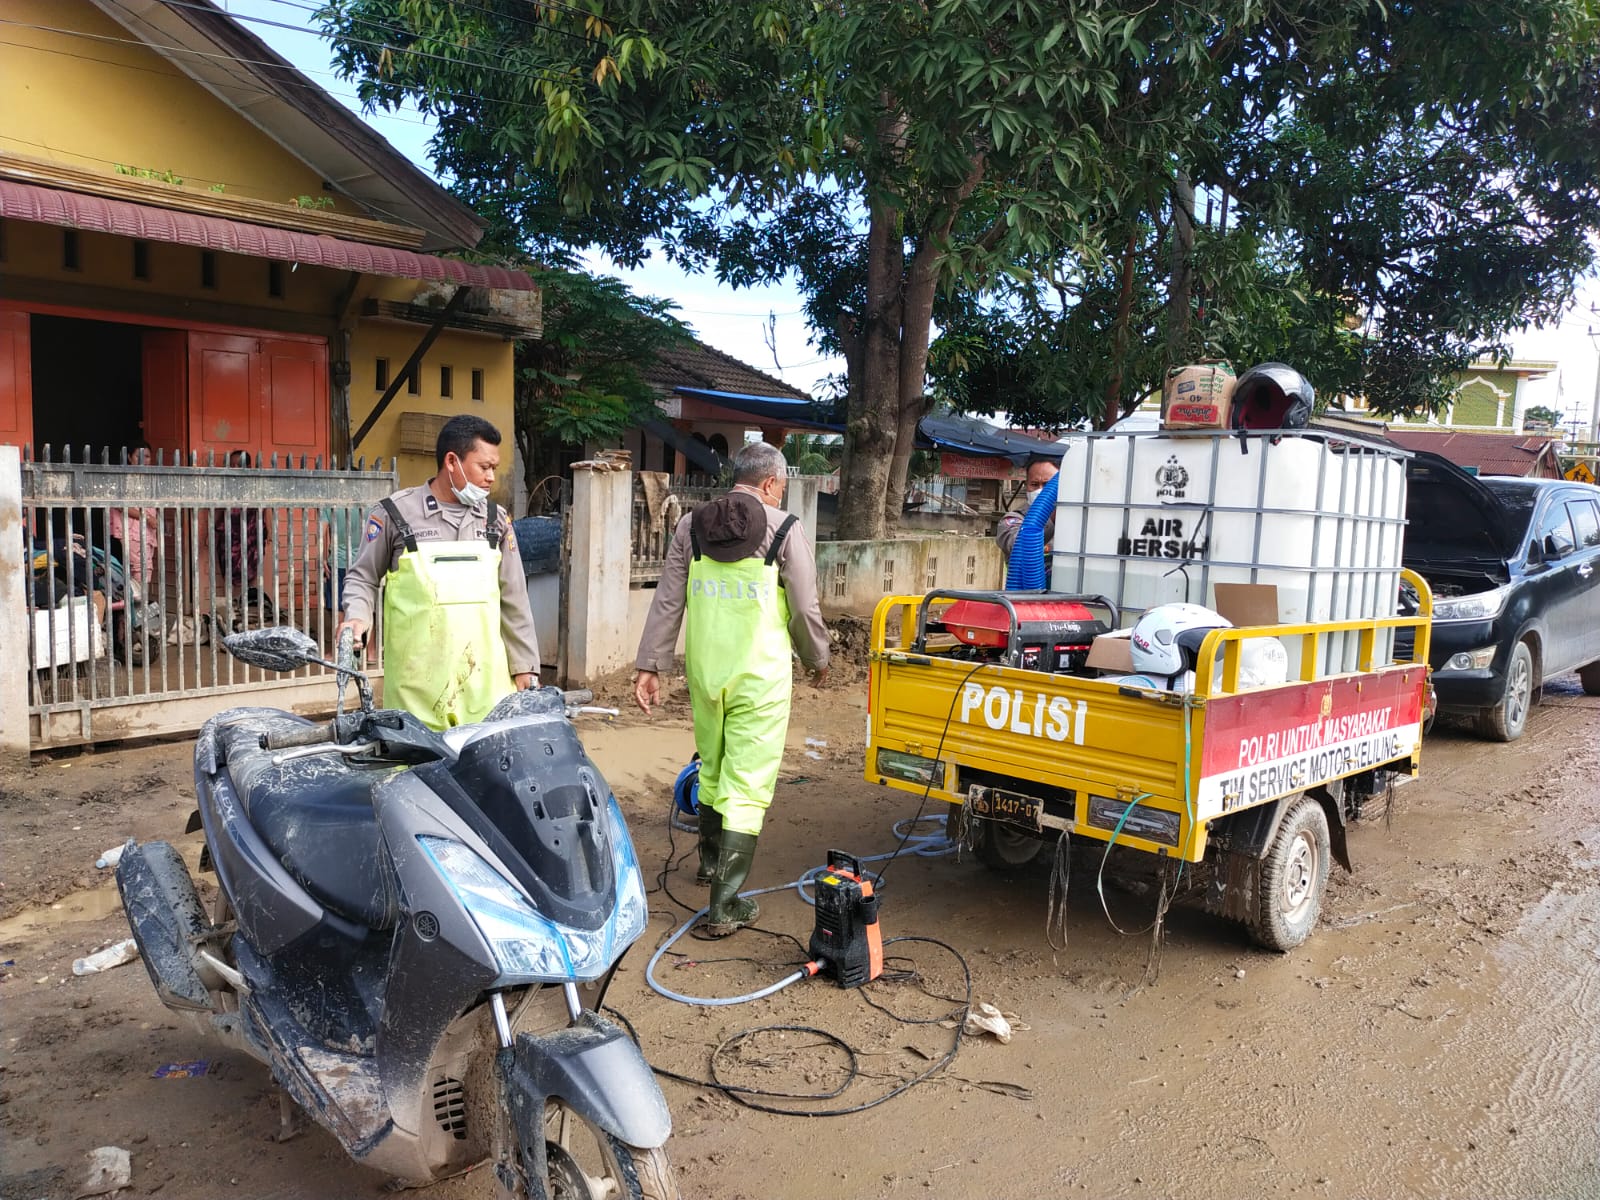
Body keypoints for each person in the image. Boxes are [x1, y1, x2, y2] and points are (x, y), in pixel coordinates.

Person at [633, 441, 830, 936]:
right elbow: (805, 609)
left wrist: (650, 666)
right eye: (781, 485)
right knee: (747, 783)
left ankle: (707, 862)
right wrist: (817, 660)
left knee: (714, 767)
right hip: (759, 678)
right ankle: (725, 903)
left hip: (706, 673)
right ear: (769, 483)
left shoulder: (689, 526)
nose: (781, 493)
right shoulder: (785, 529)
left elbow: (667, 599)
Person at [339, 414, 538, 730]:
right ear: (451, 461)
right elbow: (362, 576)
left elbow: (514, 598)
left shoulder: (495, 520)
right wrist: (358, 617)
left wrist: (525, 666)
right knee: (416, 773)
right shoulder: (395, 514)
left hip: (487, 691)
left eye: (494, 469)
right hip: (416, 693)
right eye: (484, 467)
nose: (491, 478)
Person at [995, 455, 1059, 560]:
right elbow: (1017, 545)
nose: (1041, 490)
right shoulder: (1014, 519)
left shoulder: (1073, 520)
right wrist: (1051, 519)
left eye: (1048, 485)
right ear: (1026, 485)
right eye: (1034, 484)